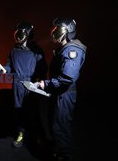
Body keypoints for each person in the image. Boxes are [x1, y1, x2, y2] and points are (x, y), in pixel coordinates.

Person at [37, 18, 86, 160]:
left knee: (60, 126)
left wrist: (45, 84)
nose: (52, 34)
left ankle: (64, 155)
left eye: (55, 31)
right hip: (58, 93)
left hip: (64, 95)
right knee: (55, 123)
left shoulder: (72, 49)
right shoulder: (64, 48)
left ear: (65, 32)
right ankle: (58, 151)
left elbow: (68, 77)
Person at [0, 21, 47, 148]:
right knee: (19, 111)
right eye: (16, 34)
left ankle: (37, 136)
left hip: (32, 84)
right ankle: (20, 133)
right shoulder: (14, 50)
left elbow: (43, 69)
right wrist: (3, 69)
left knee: (33, 111)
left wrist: (40, 82)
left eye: (19, 33)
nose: (17, 36)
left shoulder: (36, 51)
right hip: (17, 84)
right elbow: (9, 66)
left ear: (27, 34)